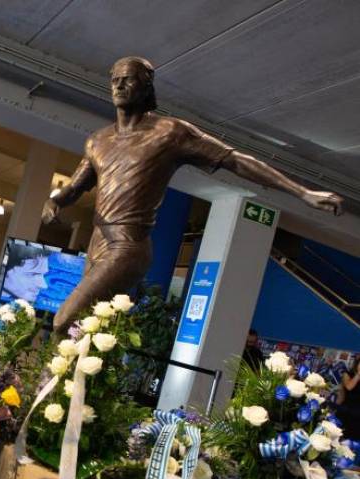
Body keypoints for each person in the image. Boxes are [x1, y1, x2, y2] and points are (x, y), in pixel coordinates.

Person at [42, 56, 344, 333]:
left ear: (146, 85)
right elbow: (73, 188)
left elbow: (235, 159)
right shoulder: (98, 141)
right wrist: (54, 201)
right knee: (85, 333)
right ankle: (67, 391)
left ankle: (48, 390)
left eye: (128, 79)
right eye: (114, 79)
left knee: (63, 320)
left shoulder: (170, 132)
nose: (119, 85)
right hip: (98, 241)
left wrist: (302, 192)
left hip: (128, 245)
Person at [337, 358, 360, 441]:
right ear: (357, 364)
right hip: (346, 411)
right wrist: (358, 375)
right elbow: (349, 387)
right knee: (339, 437)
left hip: (358, 416)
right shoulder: (347, 374)